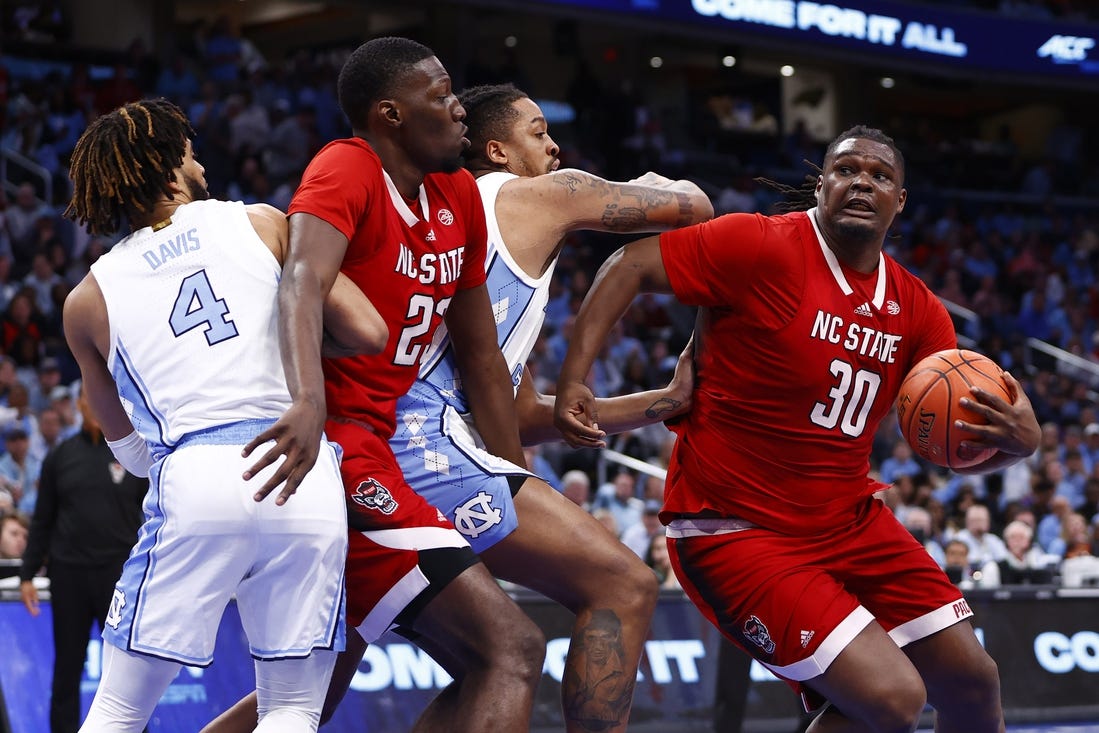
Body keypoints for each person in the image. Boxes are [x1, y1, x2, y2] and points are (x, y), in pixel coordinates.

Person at [555, 125, 1041, 732]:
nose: (862, 181)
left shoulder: (918, 309)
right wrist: (576, 377)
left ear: (900, 200)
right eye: (847, 169)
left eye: (880, 175)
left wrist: (1020, 444)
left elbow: (954, 440)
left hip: (847, 522)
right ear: (822, 184)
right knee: (891, 699)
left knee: (974, 681)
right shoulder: (758, 244)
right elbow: (629, 263)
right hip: (735, 528)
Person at [202, 38, 545, 733]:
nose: (459, 111)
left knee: (314, 693)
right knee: (508, 648)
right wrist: (307, 401)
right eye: (442, 95)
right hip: (330, 446)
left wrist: (509, 475)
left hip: (381, 444)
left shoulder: (456, 194)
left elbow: (481, 355)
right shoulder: (346, 166)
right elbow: (303, 279)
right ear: (390, 114)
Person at [385, 81, 711, 732]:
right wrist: (644, 175)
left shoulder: (462, 226)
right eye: (537, 131)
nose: (554, 143)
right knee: (624, 583)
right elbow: (694, 207)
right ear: (497, 150)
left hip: (386, 449)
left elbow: (527, 411)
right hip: (416, 442)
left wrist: (661, 402)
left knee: (491, 662)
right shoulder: (530, 195)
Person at [60, 98, 366, 732]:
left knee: (118, 708)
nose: (200, 166)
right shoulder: (261, 222)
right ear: (172, 174)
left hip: (197, 474)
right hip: (301, 466)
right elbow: (366, 329)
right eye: (190, 155)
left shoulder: (86, 300)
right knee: (292, 708)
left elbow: (132, 454)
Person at [17, 386, 147, 733]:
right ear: (79, 405)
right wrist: (27, 574)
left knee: (127, 672)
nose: (94, 405)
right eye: (87, 399)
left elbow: (153, 516)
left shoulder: (135, 456)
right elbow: (42, 519)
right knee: (68, 669)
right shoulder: (59, 457)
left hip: (119, 578)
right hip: (69, 576)